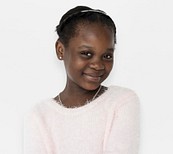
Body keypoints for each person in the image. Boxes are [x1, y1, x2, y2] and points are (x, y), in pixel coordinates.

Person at [24, 5, 140, 154]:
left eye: (107, 56)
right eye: (86, 53)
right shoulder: (39, 116)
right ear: (60, 50)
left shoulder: (122, 102)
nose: (98, 65)